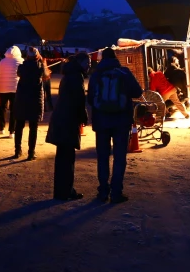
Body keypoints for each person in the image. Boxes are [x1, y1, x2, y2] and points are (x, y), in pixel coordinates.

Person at [88, 47, 143, 204]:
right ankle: (116, 192)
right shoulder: (124, 72)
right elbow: (138, 92)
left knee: (103, 157)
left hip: (101, 123)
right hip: (121, 122)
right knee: (119, 157)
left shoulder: (96, 75)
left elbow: (91, 98)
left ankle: (103, 192)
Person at [46, 53, 89, 200]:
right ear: (81, 63)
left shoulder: (68, 74)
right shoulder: (76, 76)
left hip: (61, 118)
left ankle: (60, 190)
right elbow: (79, 99)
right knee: (67, 158)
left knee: (62, 158)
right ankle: (66, 191)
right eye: (87, 62)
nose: (89, 65)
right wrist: (83, 117)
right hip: (68, 120)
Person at [12, 49, 49, 160]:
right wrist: (43, 62)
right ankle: (31, 152)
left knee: (19, 126)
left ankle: (17, 150)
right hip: (35, 99)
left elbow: (18, 74)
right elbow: (46, 75)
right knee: (33, 127)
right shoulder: (40, 67)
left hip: (22, 98)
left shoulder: (22, 67)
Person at [0, 46, 21, 136]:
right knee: (14, 109)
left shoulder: (2, 61)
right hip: (15, 88)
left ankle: (1, 128)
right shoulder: (20, 61)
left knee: (2, 108)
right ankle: (12, 131)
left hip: (2, 88)